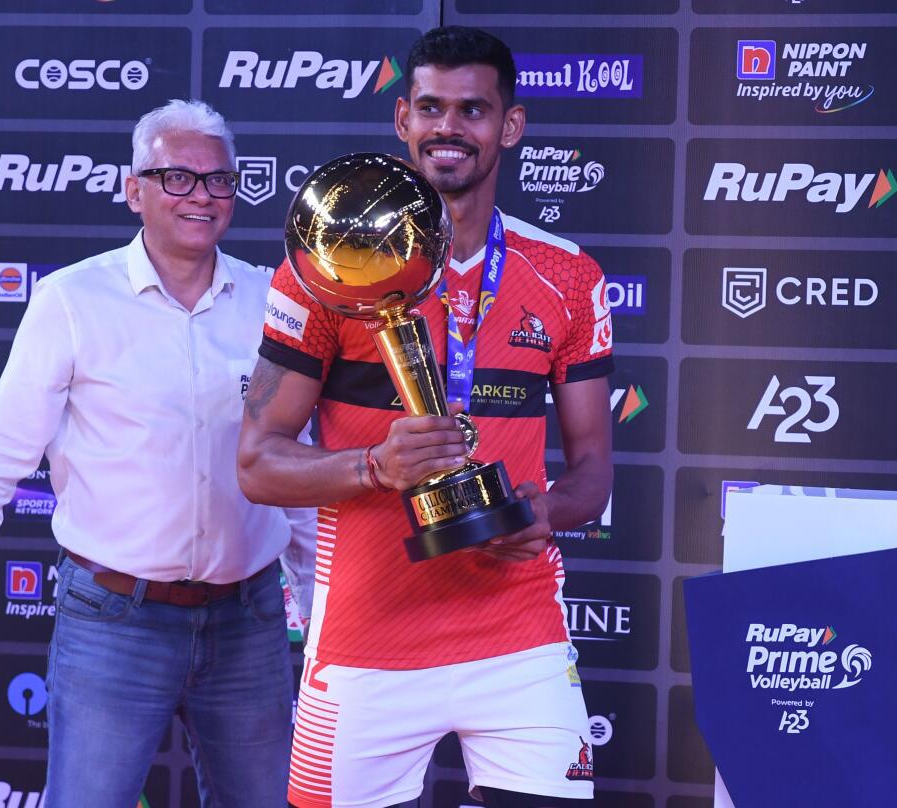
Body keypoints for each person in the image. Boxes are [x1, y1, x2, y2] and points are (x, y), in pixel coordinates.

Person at [237, 27, 613, 808]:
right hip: (366, 645)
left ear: (510, 126)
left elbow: (592, 479)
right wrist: (374, 467)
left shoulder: (567, 275)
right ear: (403, 119)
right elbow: (257, 463)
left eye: (473, 109)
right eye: (432, 108)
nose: (450, 128)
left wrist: (537, 516)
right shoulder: (322, 273)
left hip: (520, 639)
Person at [0, 99, 314, 808]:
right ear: (134, 190)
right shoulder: (72, 301)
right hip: (114, 620)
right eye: (177, 178)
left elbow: (301, 468)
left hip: (250, 621)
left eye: (219, 180)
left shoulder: (273, 302)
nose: (202, 196)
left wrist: (320, 612)